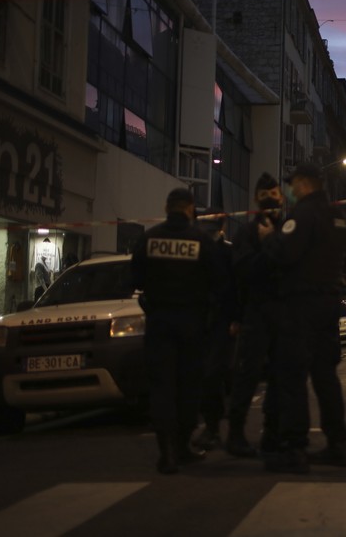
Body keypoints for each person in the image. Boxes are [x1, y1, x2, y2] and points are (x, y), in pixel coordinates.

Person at [257, 162, 346, 473]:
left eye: (293, 184)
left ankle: (295, 447)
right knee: (326, 375)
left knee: (293, 376)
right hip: (329, 302)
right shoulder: (339, 217)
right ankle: (337, 443)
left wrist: (269, 236)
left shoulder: (303, 214)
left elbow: (283, 254)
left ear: (302, 184)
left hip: (301, 304)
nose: (290, 190)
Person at [131, 187, 224, 474]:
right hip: (192, 325)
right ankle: (183, 447)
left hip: (159, 323)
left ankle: (166, 452)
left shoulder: (149, 239)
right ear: (190, 208)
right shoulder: (201, 241)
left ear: (167, 207)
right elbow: (217, 282)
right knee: (187, 387)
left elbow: (136, 279)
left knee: (161, 388)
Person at [223, 173, 285, 458]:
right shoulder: (247, 234)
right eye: (265, 193)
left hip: (281, 316)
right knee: (247, 376)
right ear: (256, 198)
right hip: (256, 313)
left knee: (279, 378)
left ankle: (272, 433)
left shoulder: (287, 230)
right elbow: (240, 275)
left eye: (274, 192)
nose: (271, 198)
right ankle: (235, 434)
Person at [192, 208, 239, 451]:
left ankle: (216, 427)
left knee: (215, 373)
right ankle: (212, 425)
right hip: (199, 321)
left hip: (221, 321)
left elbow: (236, 289)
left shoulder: (228, 253)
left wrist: (235, 319)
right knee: (204, 375)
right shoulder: (194, 252)